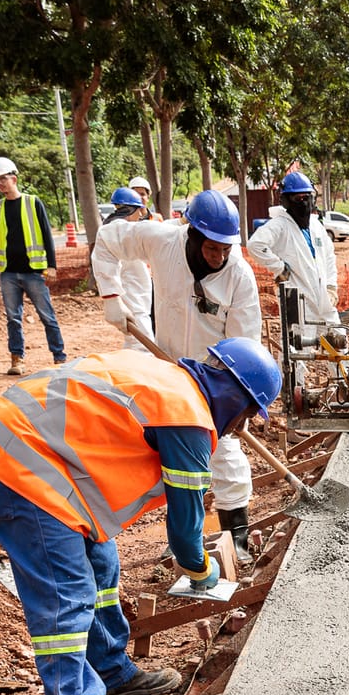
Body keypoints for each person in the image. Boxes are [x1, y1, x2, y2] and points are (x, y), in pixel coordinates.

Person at [0, 339, 281, 695]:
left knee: (102, 563)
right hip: (24, 465)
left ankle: (110, 672)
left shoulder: (171, 384)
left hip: (39, 457)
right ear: (234, 396)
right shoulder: (186, 418)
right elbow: (185, 535)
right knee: (67, 594)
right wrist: (203, 572)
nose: (238, 428)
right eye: (244, 416)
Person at [92, 187, 262, 562]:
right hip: (167, 371)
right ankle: (185, 537)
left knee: (226, 456)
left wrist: (238, 401)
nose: (219, 257)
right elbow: (107, 240)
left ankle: (237, 537)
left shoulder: (240, 277)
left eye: (226, 250)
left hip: (213, 379)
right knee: (178, 460)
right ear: (193, 235)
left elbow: (245, 344)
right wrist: (111, 297)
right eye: (211, 248)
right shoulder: (161, 239)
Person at [0, 157, 66, 377]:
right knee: (13, 318)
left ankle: (59, 357)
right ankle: (17, 360)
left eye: (3, 178)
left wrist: (52, 265)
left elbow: (46, 233)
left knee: (47, 315)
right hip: (9, 272)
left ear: (14, 179)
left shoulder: (32, 202)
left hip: (33, 270)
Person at [247, 171, 340, 332]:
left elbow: (329, 257)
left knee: (339, 342)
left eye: (306, 197)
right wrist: (279, 268)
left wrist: (331, 286)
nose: (303, 202)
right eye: (297, 198)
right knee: (297, 350)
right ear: (285, 201)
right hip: (297, 300)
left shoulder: (316, 225)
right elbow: (255, 244)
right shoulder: (279, 225)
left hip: (324, 298)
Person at [102, 187, 155, 349]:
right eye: (138, 210)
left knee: (136, 342)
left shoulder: (117, 230)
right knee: (143, 344)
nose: (140, 214)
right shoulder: (120, 232)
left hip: (139, 298)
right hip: (134, 299)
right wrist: (112, 298)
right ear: (129, 209)